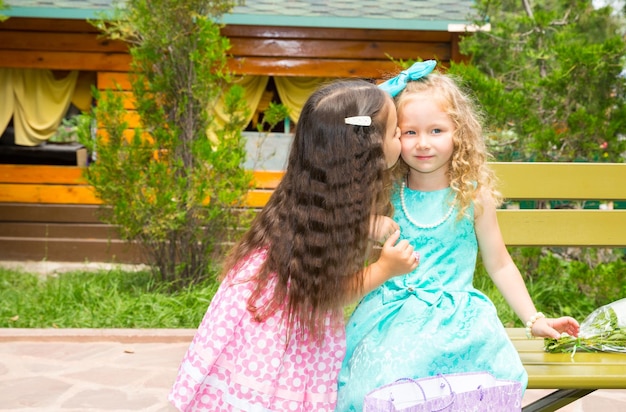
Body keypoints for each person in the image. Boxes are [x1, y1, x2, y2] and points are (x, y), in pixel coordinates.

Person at [335, 61, 581, 411]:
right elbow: (337, 227)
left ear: (459, 133)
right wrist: (366, 224)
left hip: (456, 321)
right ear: (392, 137)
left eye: (436, 130)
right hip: (391, 318)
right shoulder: (385, 193)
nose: (423, 143)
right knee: (383, 379)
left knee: (457, 384)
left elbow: (500, 265)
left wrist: (535, 319)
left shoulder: (472, 196)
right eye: (409, 132)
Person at [168, 79, 420, 412]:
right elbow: (330, 292)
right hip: (278, 332)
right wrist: (385, 269)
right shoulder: (331, 214)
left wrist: (367, 223)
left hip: (260, 309)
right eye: (395, 132)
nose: (401, 138)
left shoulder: (319, 188)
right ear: (367, 150)